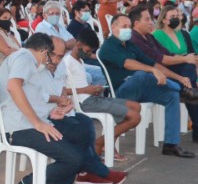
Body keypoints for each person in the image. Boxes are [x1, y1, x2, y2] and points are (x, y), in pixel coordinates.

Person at [0, 33, 128, 184]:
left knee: (80, 133)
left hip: (31, 122)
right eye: (51, 54)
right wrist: (38, 123)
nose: (53, 61)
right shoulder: (24, 57)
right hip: (19, 128)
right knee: (73, 159)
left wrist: (53, 110)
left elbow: (34, 96)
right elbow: (13, 87)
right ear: (43, 52)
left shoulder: (29, 62)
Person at [99, 14, 198, 158]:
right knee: (142, 74)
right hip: (122, 91)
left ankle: (171, 144)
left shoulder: (130, 45)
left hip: (140, 89)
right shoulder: (108, 46)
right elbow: (127, 63)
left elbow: (153, 63)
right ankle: (184, 92)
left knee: (171, 96)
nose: (127, 30)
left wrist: (179, 78)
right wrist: (152, 70)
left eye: (129, 27)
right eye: (123, 27)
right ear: (114, 28)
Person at [59, 28, 141, 161]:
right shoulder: (67, 62)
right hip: (84, 103)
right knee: (135, 117)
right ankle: (100, 142)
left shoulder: (79, 60)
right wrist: (86, 90)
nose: (89, 54)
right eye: (87, 51)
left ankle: (106, 144)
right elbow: (61, 90)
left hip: (91, 98)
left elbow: (81, 86)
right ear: (78, 44)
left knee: (136, 106)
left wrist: (93, 89)